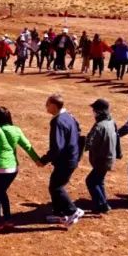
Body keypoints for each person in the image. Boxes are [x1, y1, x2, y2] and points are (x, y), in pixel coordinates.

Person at [0, 106, 40, 231]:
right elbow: (27, 146)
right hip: (13, 169)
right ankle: (7, 219)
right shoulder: (16, 130)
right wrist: (37, 160)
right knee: (2, 192)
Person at [39, 94, 84, 226]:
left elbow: (57, 147)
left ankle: (72, 211)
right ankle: (59, 213)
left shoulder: (58, 121)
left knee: (56, 187)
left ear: (53, 105)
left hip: (66, 160)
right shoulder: (69, 116)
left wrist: (44, 160)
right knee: (55, 185)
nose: (46, 106)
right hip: (72, 157)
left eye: (47, 104)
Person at [82, 98, 120, 213]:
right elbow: (117, 137)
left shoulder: (99, 126)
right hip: (109, 157)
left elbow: (88, 143)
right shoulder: (111, 121)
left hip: (101, 159)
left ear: (99, 111)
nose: (93, 111)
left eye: (94, 109)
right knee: (99, 181)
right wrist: (119, 153)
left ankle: (102, 205)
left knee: (90, 181)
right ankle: (103, 202)